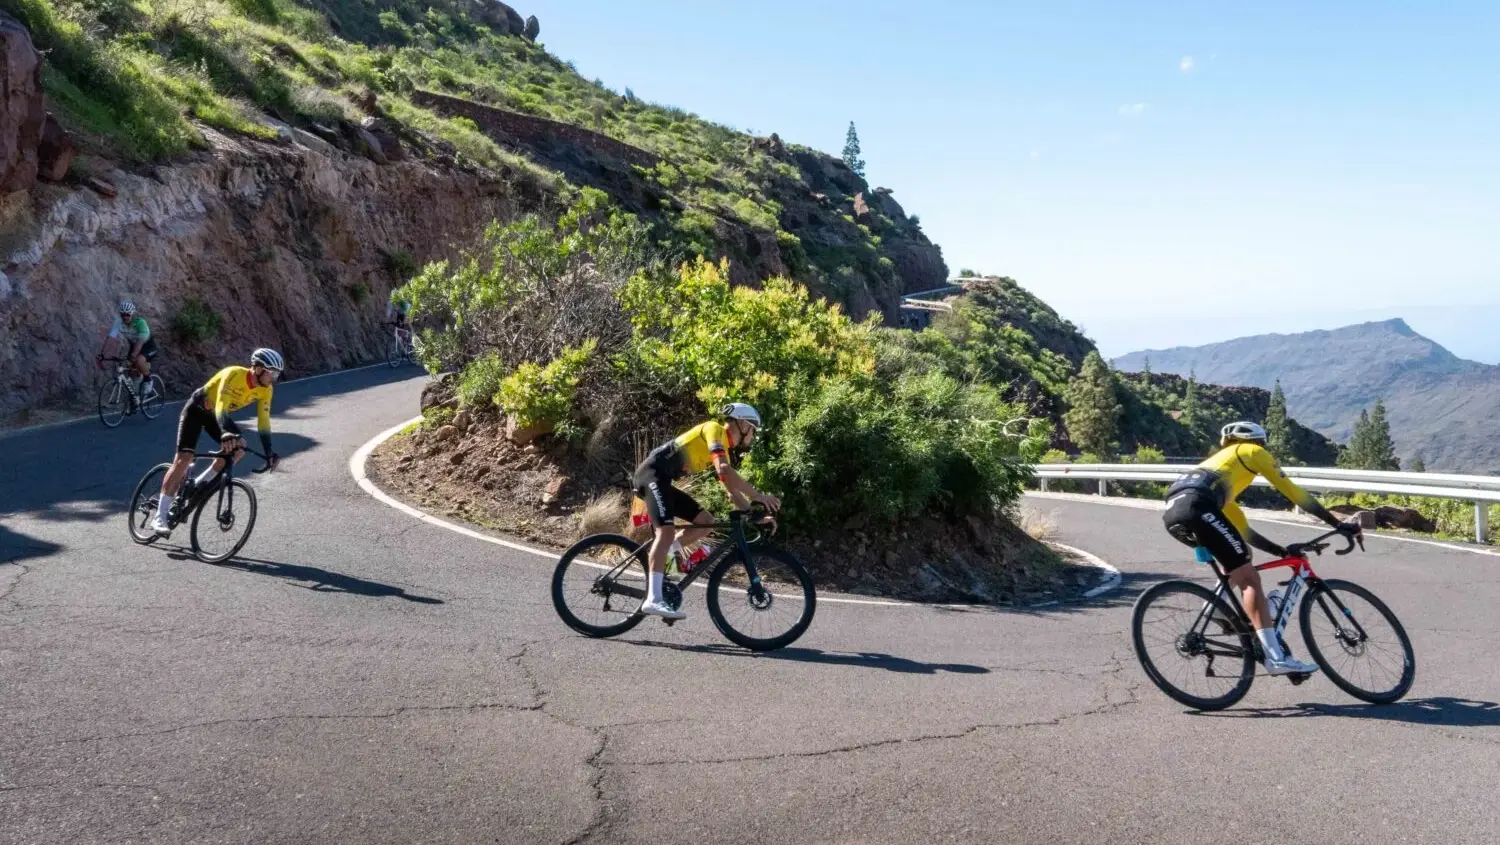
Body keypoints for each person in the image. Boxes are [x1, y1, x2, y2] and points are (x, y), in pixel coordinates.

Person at [1163, 421, 1362, 675]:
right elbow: (1295, 493)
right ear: (1257, 442)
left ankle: (1218, 606)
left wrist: (1281, 552)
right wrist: (1338, 524)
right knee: (1249, 578)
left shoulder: (1220, 479)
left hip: (1174, 513)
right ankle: (1276, 657)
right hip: (1197, 507)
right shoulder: (1252, 452)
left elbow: (1245, 532)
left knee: (1239, 558)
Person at [632, 403, 781, 620]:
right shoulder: (714, 429)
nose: (753, 436)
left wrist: (753, 514)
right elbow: (723, 470)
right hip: (651, 475)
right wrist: (758, 495)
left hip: (662, 481)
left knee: (705, 521)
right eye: (753, 430)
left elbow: (731, 490)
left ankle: (664, 556)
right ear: (742, 424)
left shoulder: (724, 450)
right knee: (666, 531)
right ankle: (653, 599)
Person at [151, 348, 284, 537]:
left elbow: (264, 421)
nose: (274, 378)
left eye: (277, 374)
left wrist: (269, 452)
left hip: (216, 416)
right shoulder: (234, 374)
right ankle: (159, 516)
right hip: (197, 410)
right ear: (259, 369)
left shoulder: (266, 390)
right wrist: (226, 433)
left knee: (239, 448)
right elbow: (221, 408)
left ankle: (199, 483)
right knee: (184, 458)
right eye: (272, 373)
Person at [97, 300, 158, 392]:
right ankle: (135, 397)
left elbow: (139, 343)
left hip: (148, 346)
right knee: (131, 371)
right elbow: (110, 339)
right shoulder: (118, 322)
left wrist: (132, 357)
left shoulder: (140, 323)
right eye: (123, 315)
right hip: (134, 346)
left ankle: (148, 380)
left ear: (132, 314)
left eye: (127, 315)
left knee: (138, 360)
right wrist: (102, 354)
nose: (125, 317)